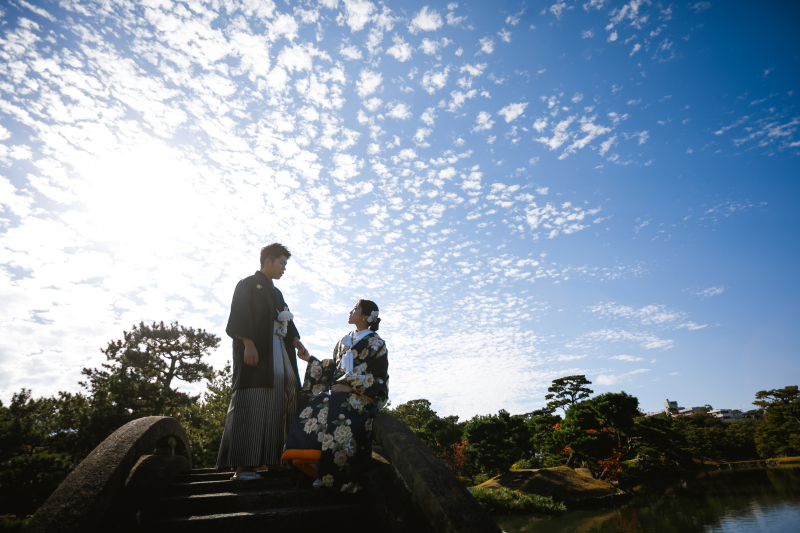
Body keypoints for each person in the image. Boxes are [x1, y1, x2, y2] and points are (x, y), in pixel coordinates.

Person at [217, 243, 309, 479]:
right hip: (258, 351)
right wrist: (248, 343)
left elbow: (286, 318)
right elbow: (239, 314)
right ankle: (244, 466)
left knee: (284, 396)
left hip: (280, 350)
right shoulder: (248, 283)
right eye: (281, 263)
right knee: (253, 400)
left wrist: (296, 340)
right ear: (267, 261)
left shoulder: (276, 292)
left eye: (285, 264)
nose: (283, 268)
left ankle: (274, 459)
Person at [281, 300, 389, 492]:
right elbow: (334, 368)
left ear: (365, 315)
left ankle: (336, 476)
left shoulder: (376, 343)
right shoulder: (343, 341)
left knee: (341, 415)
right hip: (337, 388)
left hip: (360, 393)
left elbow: (378, 374)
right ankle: (316, 468)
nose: (351, 311)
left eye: (355, 309)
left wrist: (352, 388)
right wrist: (310, 359)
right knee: (314, 407)